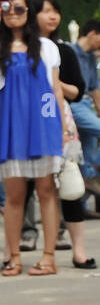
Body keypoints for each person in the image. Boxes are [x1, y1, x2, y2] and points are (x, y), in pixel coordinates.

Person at [0, 0, 65, 277]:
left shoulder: (45, 47)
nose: (13, 12)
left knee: (47, 192)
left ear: (28, 11)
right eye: (7, 7)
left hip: (43, 123)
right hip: (11, 125)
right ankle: (14, 256)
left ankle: (49, 256)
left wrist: (61, 127)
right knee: (14, 196)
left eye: (19, 7)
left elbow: (55, 90)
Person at [33, 0, 93, 269]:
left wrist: (56, 84)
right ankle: (25, 248)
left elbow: (78, 91)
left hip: (60, 120)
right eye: (46, 11)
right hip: (29, 121)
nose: (53, 16)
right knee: (29, 189)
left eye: (56, 11)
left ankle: (78, 250)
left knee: (70, 188)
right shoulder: (20, 49)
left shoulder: (64, 50)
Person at [68, 20, 100, 211]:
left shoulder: (90, 57)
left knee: (85, 151)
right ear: (92, 34)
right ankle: (91, 176)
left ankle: (80, 207)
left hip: (87, 104)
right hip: (75, 103)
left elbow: (95, 87)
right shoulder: (70, 52)